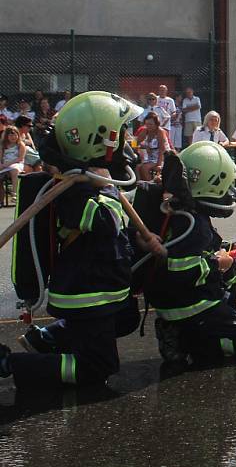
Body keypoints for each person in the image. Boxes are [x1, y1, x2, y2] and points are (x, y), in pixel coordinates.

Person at [0, 91, 161, 388]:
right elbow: (104, 222)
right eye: (121, 131)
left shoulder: (92, 181)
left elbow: (115, 233)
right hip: (86, 294)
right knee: (97, 367)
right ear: (97, 139)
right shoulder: (75, 189)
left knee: (125, 318)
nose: (126, 138)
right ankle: (11, 364)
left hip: (101, 288)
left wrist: (138, 241)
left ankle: (48, 340)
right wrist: (106, 187)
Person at [140, 142, 236, 366]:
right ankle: (194, 339)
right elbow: (179, 268)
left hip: (169, 304)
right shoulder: (194, 224)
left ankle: (182, 331)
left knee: (233, 264)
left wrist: (234, 248)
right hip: (190, 306)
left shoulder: (180, 213)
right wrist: (218, 264)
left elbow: (196, 250)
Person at [136, 112, 169, 181]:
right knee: (137, 167)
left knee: (145, 168)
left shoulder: (160, 132)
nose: (148, 126)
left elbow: (162, 150)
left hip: (161, 157)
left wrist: (159, 165)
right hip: (149, 157)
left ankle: (150, 186)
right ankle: (140, 186)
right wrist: (137, 147)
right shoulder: (145, 130)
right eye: (147, 124)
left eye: (151, 124)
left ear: (156, 124)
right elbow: (135, 142)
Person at [0, 126, 26, 200]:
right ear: (6, 136)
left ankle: (14, 193)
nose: (13, 137)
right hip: (4, 165)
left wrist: (7, 164)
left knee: (14, 170)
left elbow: (20, 158)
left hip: (17, 164)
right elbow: (1, 157)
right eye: (11, 135)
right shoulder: (3, 146)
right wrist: (2, 165)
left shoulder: (20, 145)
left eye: (15, 134)